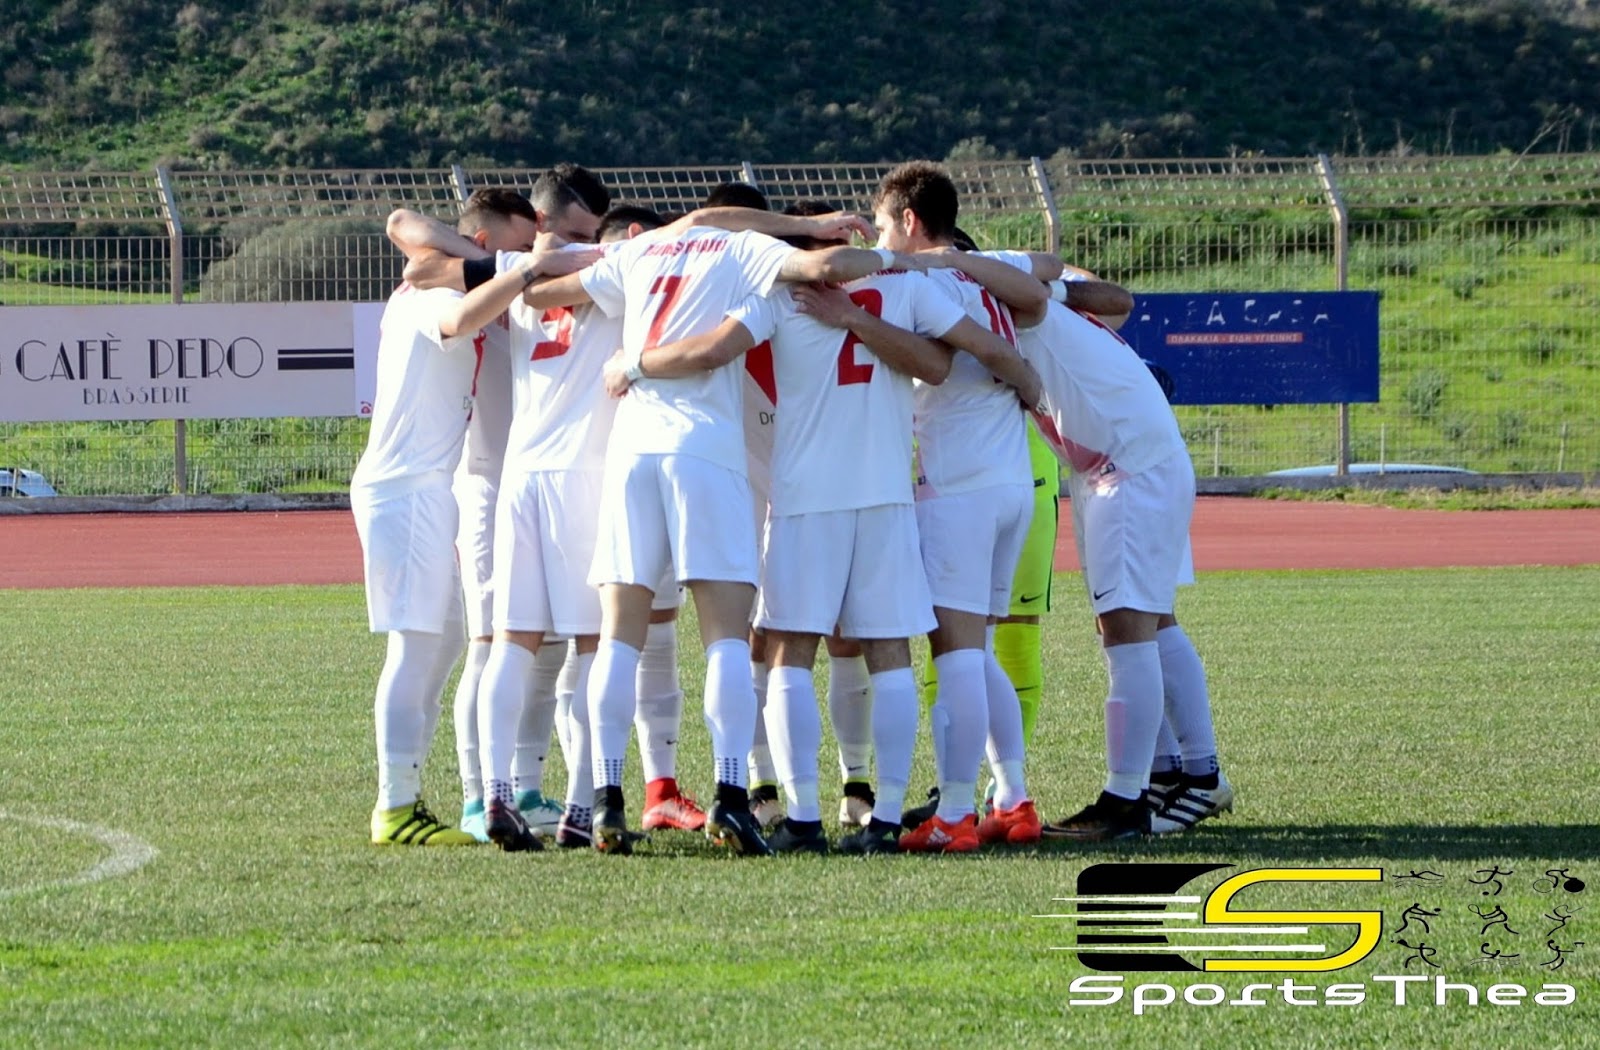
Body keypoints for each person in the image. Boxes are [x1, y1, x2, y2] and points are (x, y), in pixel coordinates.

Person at [518, 210, 904, 856]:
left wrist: (545, 260)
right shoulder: (743, 250)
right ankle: (730, 793)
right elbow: (821, 269)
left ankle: (608, 798)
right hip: (703, 450)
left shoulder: (643, 251)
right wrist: (896, 258)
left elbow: (542, 292)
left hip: (632, 449)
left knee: (619, 637)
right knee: (725, 635)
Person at [354, 188, 587, 847]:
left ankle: (409, 799)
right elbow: (451, 303)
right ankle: (396, 806)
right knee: (418, 647)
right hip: (407, 488)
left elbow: (422, 236)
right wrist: (524, 269)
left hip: (425, 487)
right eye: (514, 244)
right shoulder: (431, 295)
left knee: (445, 641)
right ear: (485, 244)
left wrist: (499, 264)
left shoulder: (449, 274)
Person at [868, 161, 1050, 853]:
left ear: (909, 221)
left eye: (883, 226)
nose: (880, 241)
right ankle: (1013, 796)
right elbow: (1042, 289)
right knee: (979, 650)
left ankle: (953, 812)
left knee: (956, 655)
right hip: (1009, 483)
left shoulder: (925, 279)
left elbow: (964, 353)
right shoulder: (983, 274)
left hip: (959, 487)